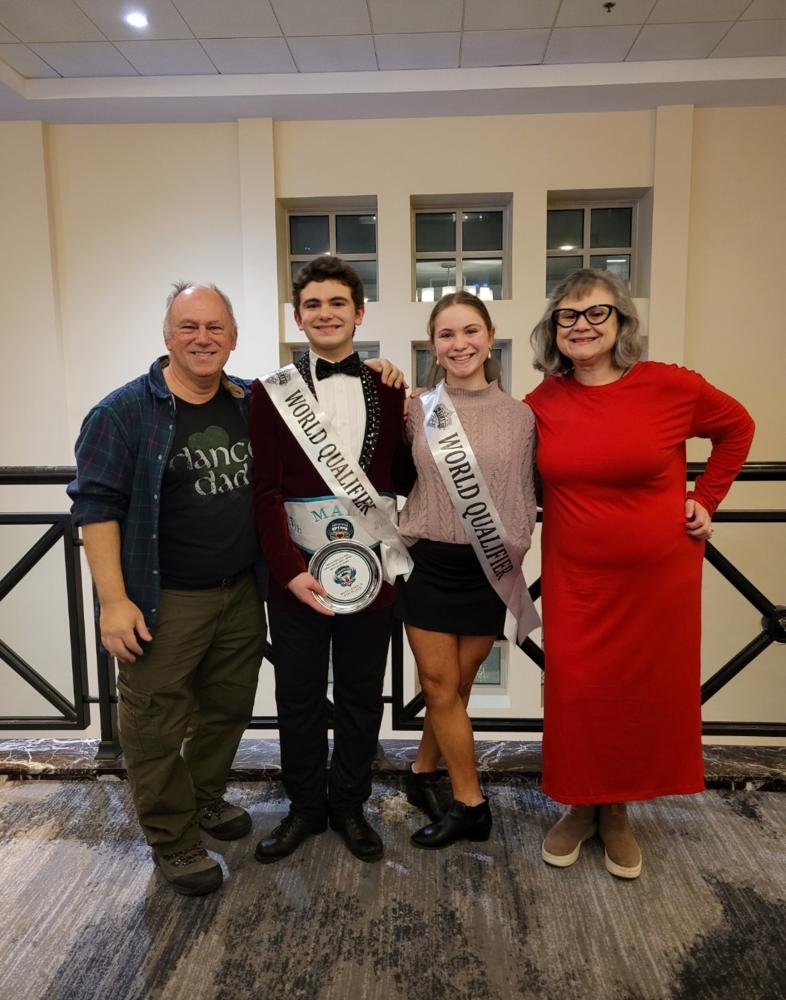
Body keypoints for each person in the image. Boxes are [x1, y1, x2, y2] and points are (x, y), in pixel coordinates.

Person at [526, 268, 755, 879]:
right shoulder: (543, 401)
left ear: (622, 321)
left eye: (596, 312)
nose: (581, 325)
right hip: (576, 580)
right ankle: (580, 803)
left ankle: (618, 811)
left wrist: (707, 497)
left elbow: (738, 428)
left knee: (636, 694)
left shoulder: (669, 385)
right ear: (554, 328)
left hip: (658, 580)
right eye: (568, 315)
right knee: (578, 692)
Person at [68, 283, 268, 896]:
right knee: (154, 726)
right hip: (164, 600)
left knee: (227, 709)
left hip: (241, 593)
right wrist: (113, 602)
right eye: (189, 327)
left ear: (233, 337)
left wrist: (385, 375)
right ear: (167, 337)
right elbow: (94, 508)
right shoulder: (122, 413)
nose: (202, 339)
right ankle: (173, 838)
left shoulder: (249, 402)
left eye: (214, 327)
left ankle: (204, 799)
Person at [250, 255, 415, 864]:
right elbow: (265, 492)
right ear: (297, 318)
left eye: (337, 303)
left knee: (361, 696)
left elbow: (401, 475)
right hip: (297, 576)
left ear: (359, 313)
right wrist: (289, 572)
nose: (325, 314)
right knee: (296, 697)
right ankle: (303, 808)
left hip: (372, 573)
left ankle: (349, 804)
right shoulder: (270, 393)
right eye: (313, 305)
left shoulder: (390, 389)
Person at [396, 291, 538, 849]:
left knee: (456, 685)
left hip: (488, 568)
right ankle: (470, 803)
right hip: (428, 563)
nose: (460, 344)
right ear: (433, 345)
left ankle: (420, 771)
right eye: (447, 335)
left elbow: (524, 497)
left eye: (470, 331)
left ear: (490, 337)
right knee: (438, 684)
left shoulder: (521, 417)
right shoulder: (417, 409)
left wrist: (512, 553)